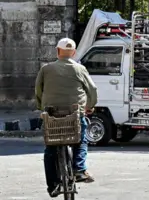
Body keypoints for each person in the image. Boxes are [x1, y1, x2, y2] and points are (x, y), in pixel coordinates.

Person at [35, 38, 98, 198]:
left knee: (50, 150)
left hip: (51, 114)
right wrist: (89, 106)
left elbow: (38, 89)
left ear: (57, 51)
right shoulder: (80, 69)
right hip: (75, 114)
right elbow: (92, 89)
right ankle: (79, 169)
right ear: (74, 53)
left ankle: (53, 186)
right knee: (81, 140)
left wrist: (40, 107)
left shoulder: (46, 69)